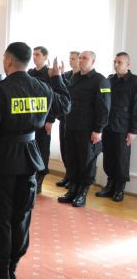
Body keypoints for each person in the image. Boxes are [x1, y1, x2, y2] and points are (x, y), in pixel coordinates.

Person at [0, 42, 70, 279]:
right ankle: (12, 270)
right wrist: (57, 79)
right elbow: (65, 106)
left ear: (7, 61)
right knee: (21, 216)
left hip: (3, 161)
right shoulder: (43, 88)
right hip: (29, 159)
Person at [58, 51, 111, 207]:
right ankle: (72, 190)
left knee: (86, 162)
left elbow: (104, 108)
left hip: (88, 130)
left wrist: (98, 130)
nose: (81, 60)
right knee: (72, 159)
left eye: (84, 58)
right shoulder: (74, 78)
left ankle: (82, 193)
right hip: (71, 126)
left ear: (93, 61)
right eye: (80, 58)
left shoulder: (100, 81)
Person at [96, 52, 137, 202]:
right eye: (115, 61)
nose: (116, 64)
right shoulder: (109, 80)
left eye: (119, 62)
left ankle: (119, 189)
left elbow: (136, 108)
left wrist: (134, 130)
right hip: (108, 126)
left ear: (128, 64)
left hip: (123, 127)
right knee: (109, 156)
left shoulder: (134, 82)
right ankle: (109, 185)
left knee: (121, 158)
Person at [27, 46, 54, 194]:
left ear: (45, 57)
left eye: (37, 54)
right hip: (31, 116)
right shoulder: (30, 73)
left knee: (43, 148)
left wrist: (50, 120)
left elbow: (53, 99)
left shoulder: (49, 73)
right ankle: (31, 175)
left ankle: (40, 178)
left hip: (44, 118)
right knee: (31, 146)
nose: (34, 57)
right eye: (33, 54)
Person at [56, 51, 80, 187]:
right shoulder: (66, 75)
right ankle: (68, 175)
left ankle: (73, 179)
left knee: (73, 151)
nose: (70, 61)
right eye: (69, 58)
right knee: (64, 149)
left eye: (73, 59)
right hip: (65, 119)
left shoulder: (81, 77)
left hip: (76, 120)